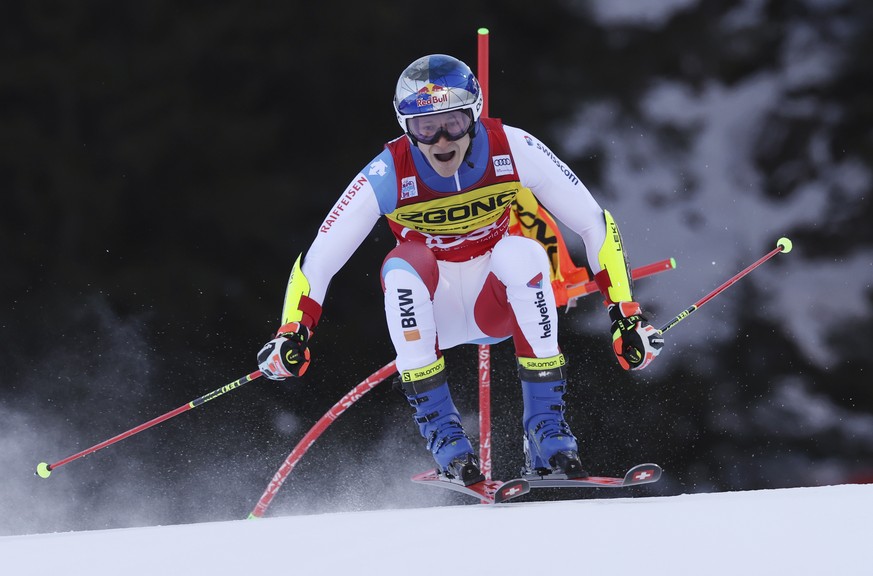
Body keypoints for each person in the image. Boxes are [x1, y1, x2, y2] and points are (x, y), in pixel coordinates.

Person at [256, 54, 664, 486]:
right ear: (404, 126)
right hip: (435, 313)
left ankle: (547, 436)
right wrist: (293, 331)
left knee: (522, 253)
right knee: (403, 264)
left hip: (497, 306)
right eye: (423, 126)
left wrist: (625, 315)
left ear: (473, 113)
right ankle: (446, 440)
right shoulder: (390, 170)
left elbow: (593, 221)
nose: (441, 140)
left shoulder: (512, 146)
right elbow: (320, 257)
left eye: (451, 121)